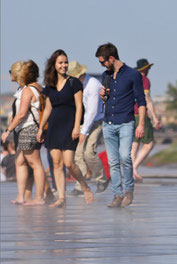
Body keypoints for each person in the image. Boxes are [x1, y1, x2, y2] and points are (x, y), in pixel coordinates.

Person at [37, 50, 94, 208]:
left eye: (65, 62)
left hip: (70, 125)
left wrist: (77, 126)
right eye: (60, 63)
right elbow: (48, 108)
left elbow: (79, 107)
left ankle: (84, 186)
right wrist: (41, 128)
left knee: (69, 163)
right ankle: (61, 198)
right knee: (56, 163)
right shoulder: (50, 85)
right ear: (54, 65)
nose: (64, 65)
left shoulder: (74, 82)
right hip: (54, 126)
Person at [95, 42, 147, 208]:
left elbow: (141, 101)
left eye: (102, 62)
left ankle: (129, 191)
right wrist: (103, 96)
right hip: (108, 123)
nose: (102, 65)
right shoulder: (106, 76)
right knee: (113, 162)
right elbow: (108, 99)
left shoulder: (133, 75)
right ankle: (117, 194)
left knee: (125, 157)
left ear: (111, 58)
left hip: (126, 122)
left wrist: (141, 125)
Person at [1, 60, 48, 205]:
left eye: (12, 72)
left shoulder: (28, 90)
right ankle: (22, 196)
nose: (10, 74)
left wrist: (7, 131)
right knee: (20, 161)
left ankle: (39, 197)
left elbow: (22, 114)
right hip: (26, 129)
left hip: (29, 129)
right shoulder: (33, 88)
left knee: (35, 163)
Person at [67, 61, 109, 196]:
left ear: (82, 74)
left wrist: (83, 132)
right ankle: (80, 186)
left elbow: (92, 111)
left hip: (96, 121)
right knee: (77, 154)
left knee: (89, 152)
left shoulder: (93, 85)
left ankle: (102, 179)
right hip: (82, 121)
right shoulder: (74, 83)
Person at [131, 58, 161, 182]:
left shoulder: (131, 78)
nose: (149, 70)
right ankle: (134, 168)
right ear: (145, 69)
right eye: (148, 68)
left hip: (129, 115)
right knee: (149, 143)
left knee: (134, 143)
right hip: (140, 114)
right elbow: (147, 98)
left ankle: (130, 171)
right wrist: (155, 118)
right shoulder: (144, 80)